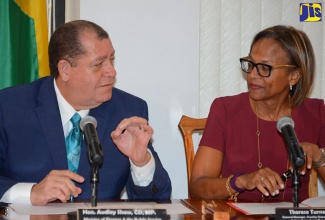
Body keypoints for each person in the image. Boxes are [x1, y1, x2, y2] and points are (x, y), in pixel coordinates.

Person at [0, 20, 171, 206]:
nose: (112, 71)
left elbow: (158, 201)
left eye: (111, 59)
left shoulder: (127, 112)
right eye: (99, 64)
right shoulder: (9, 108)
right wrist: (29, 193)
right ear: (65, 69)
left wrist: (141, 162)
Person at [190, 25, 325, 202]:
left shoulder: (315, 112)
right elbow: (197, 186)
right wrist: (241, 181)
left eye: (264, 67)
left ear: (294, 76)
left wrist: (318, 156)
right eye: (251, 64)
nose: (253, 75)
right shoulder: (225, 109)